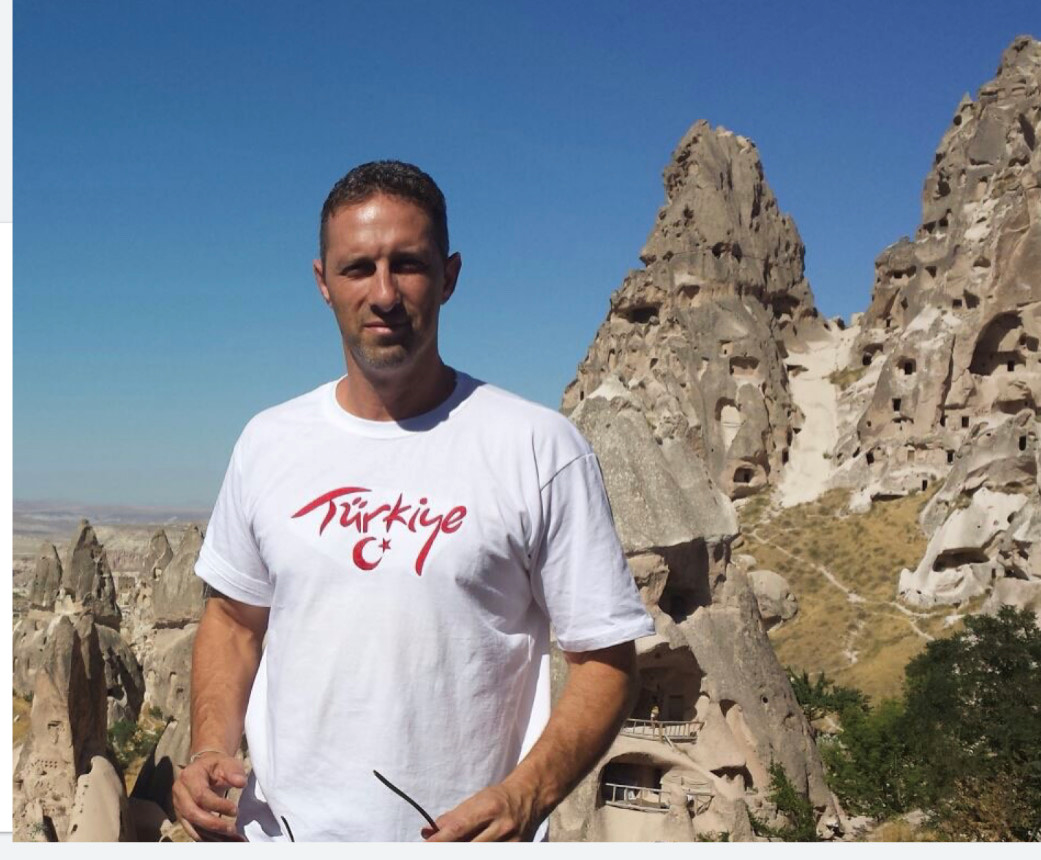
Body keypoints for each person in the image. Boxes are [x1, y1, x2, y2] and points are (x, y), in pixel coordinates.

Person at [171, 160, 655, 841]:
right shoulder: (268, 442)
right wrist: (207, 749)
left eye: (408, 264)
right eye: (358, 268)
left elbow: (606, 660)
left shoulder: (538, 447)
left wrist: (526, 797)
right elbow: (233, 621)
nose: (384, 293)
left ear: (448, 276)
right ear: (323, 283)